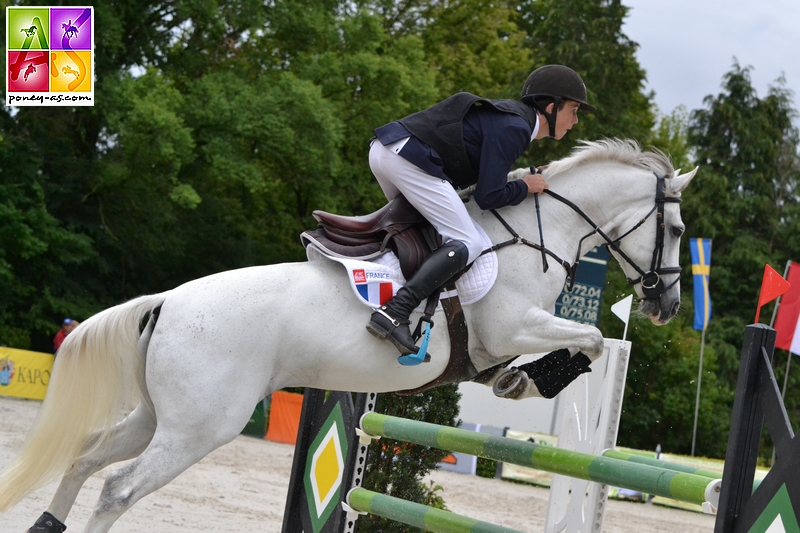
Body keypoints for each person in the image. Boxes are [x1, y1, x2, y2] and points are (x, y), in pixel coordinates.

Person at [366, 64, 595, 361]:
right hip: (407, 158)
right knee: (469, 241)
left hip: (389, 151)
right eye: (574, 110)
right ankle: (395, 312)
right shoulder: (516, 128)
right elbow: (489, 197)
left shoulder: (513, 121)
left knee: (425, 233)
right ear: (551, 107)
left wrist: (521, 180)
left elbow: (487, 182)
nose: (575, 120)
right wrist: (525, 186)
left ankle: (383, 292)